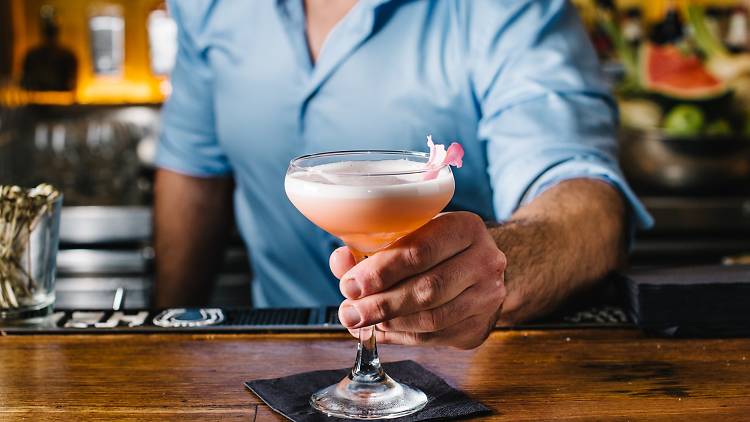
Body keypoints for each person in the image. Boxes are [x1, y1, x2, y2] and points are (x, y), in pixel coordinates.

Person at [154, 0, 652, 349]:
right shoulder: (207, 6)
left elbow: (586, 202)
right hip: (270, 349)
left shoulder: (504, 9)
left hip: (456, 364)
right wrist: (160, 330)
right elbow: (193, 171)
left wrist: (494, 272)